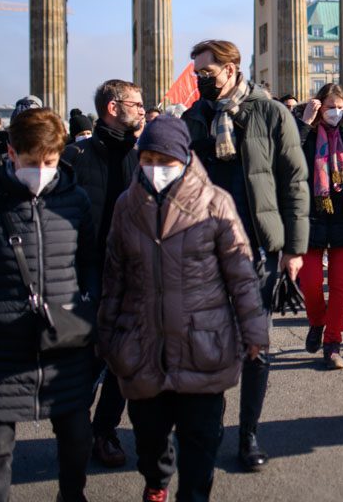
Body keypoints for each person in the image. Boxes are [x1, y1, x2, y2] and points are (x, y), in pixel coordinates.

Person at [99, 116, 268, 502]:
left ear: (183, 158)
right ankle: (156, 482)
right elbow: (114, 277)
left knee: (201, 444)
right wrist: (107, 337)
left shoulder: (215, 203)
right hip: (144, 346)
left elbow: (241, 275)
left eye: (165, 159)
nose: (155, 168)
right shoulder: (127, 206)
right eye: (148, 159)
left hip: (203, 345)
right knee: (149, 440)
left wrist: (254, 333)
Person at [181, 39, 309, 472]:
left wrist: (294, 249)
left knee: (256, 344)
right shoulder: (193, 117)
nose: (200, 81)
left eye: (207, 73)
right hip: (205, 250)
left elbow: (295, 184)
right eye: (196, 73)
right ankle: (212, 426)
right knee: (211, 344)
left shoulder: (271, 113)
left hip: (257, 250)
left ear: (232, 69)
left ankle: (248, 433)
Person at [0, 108, 99, 502]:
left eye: (50, 162)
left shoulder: (75, 200)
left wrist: (88, 305)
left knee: (77, 440)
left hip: (64, 339)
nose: (40, 170)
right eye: (31, 162)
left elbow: (90, 260)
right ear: (11, 153)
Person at [61, 78, 145, 469]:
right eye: (136, 103)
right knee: (85, 359)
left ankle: (104, 431)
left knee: (123, 359)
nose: (143, 110)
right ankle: (75, 432)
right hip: (85, 271)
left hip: (131, 269)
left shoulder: (143, 156)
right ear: (113, 108)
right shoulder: (75, 156)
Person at [295, 84, 343, 370]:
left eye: (339, 106)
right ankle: (317, 321)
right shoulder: (305, 134)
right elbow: (287, 156)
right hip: (311, 215)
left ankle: (333, 342)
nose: (335, 111)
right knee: (309, 282)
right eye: (329, 106)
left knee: (341, 286)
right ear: (318, 106)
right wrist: (304, 122)